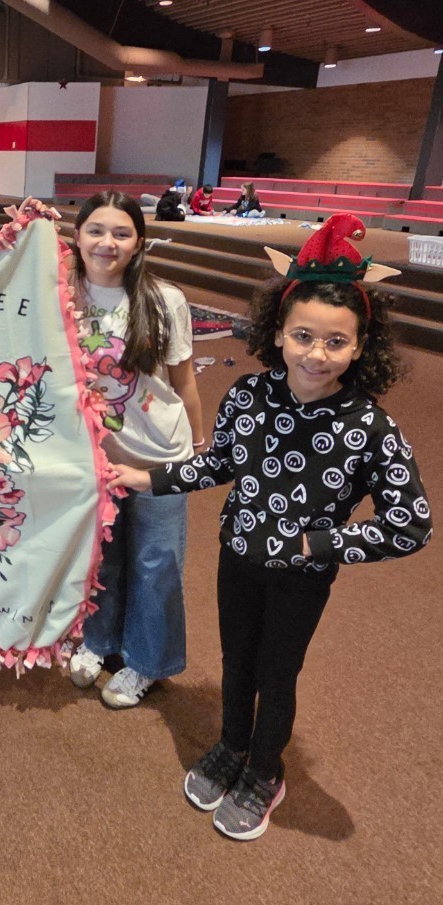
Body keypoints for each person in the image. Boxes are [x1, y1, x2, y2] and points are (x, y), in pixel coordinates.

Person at [108, 214, 432, 840]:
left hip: (301, 578)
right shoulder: (249, 397)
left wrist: (317, 543)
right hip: (237, 559)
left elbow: (409, 524)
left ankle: (264, 769)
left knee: (275, 673)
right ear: (277, 332)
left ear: (361, 346)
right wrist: (147, 479)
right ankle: (231, 746)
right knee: (236, 662)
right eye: (303, 335)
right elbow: (220, 462)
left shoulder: (370, 428)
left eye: (336, 342)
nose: (316, 352)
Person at [67, 191, 205, 708]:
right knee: (101, 558)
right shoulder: (60, 295)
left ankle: (147, 661)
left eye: (121, 233)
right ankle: (99, 642)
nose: (107, 242)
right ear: (77, 237)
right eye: (96, 230)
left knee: (158, 563)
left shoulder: (164, 299)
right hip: (93, 459)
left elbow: (184, 382)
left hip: (158, 456)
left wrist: (197, 447)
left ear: (139, 242)